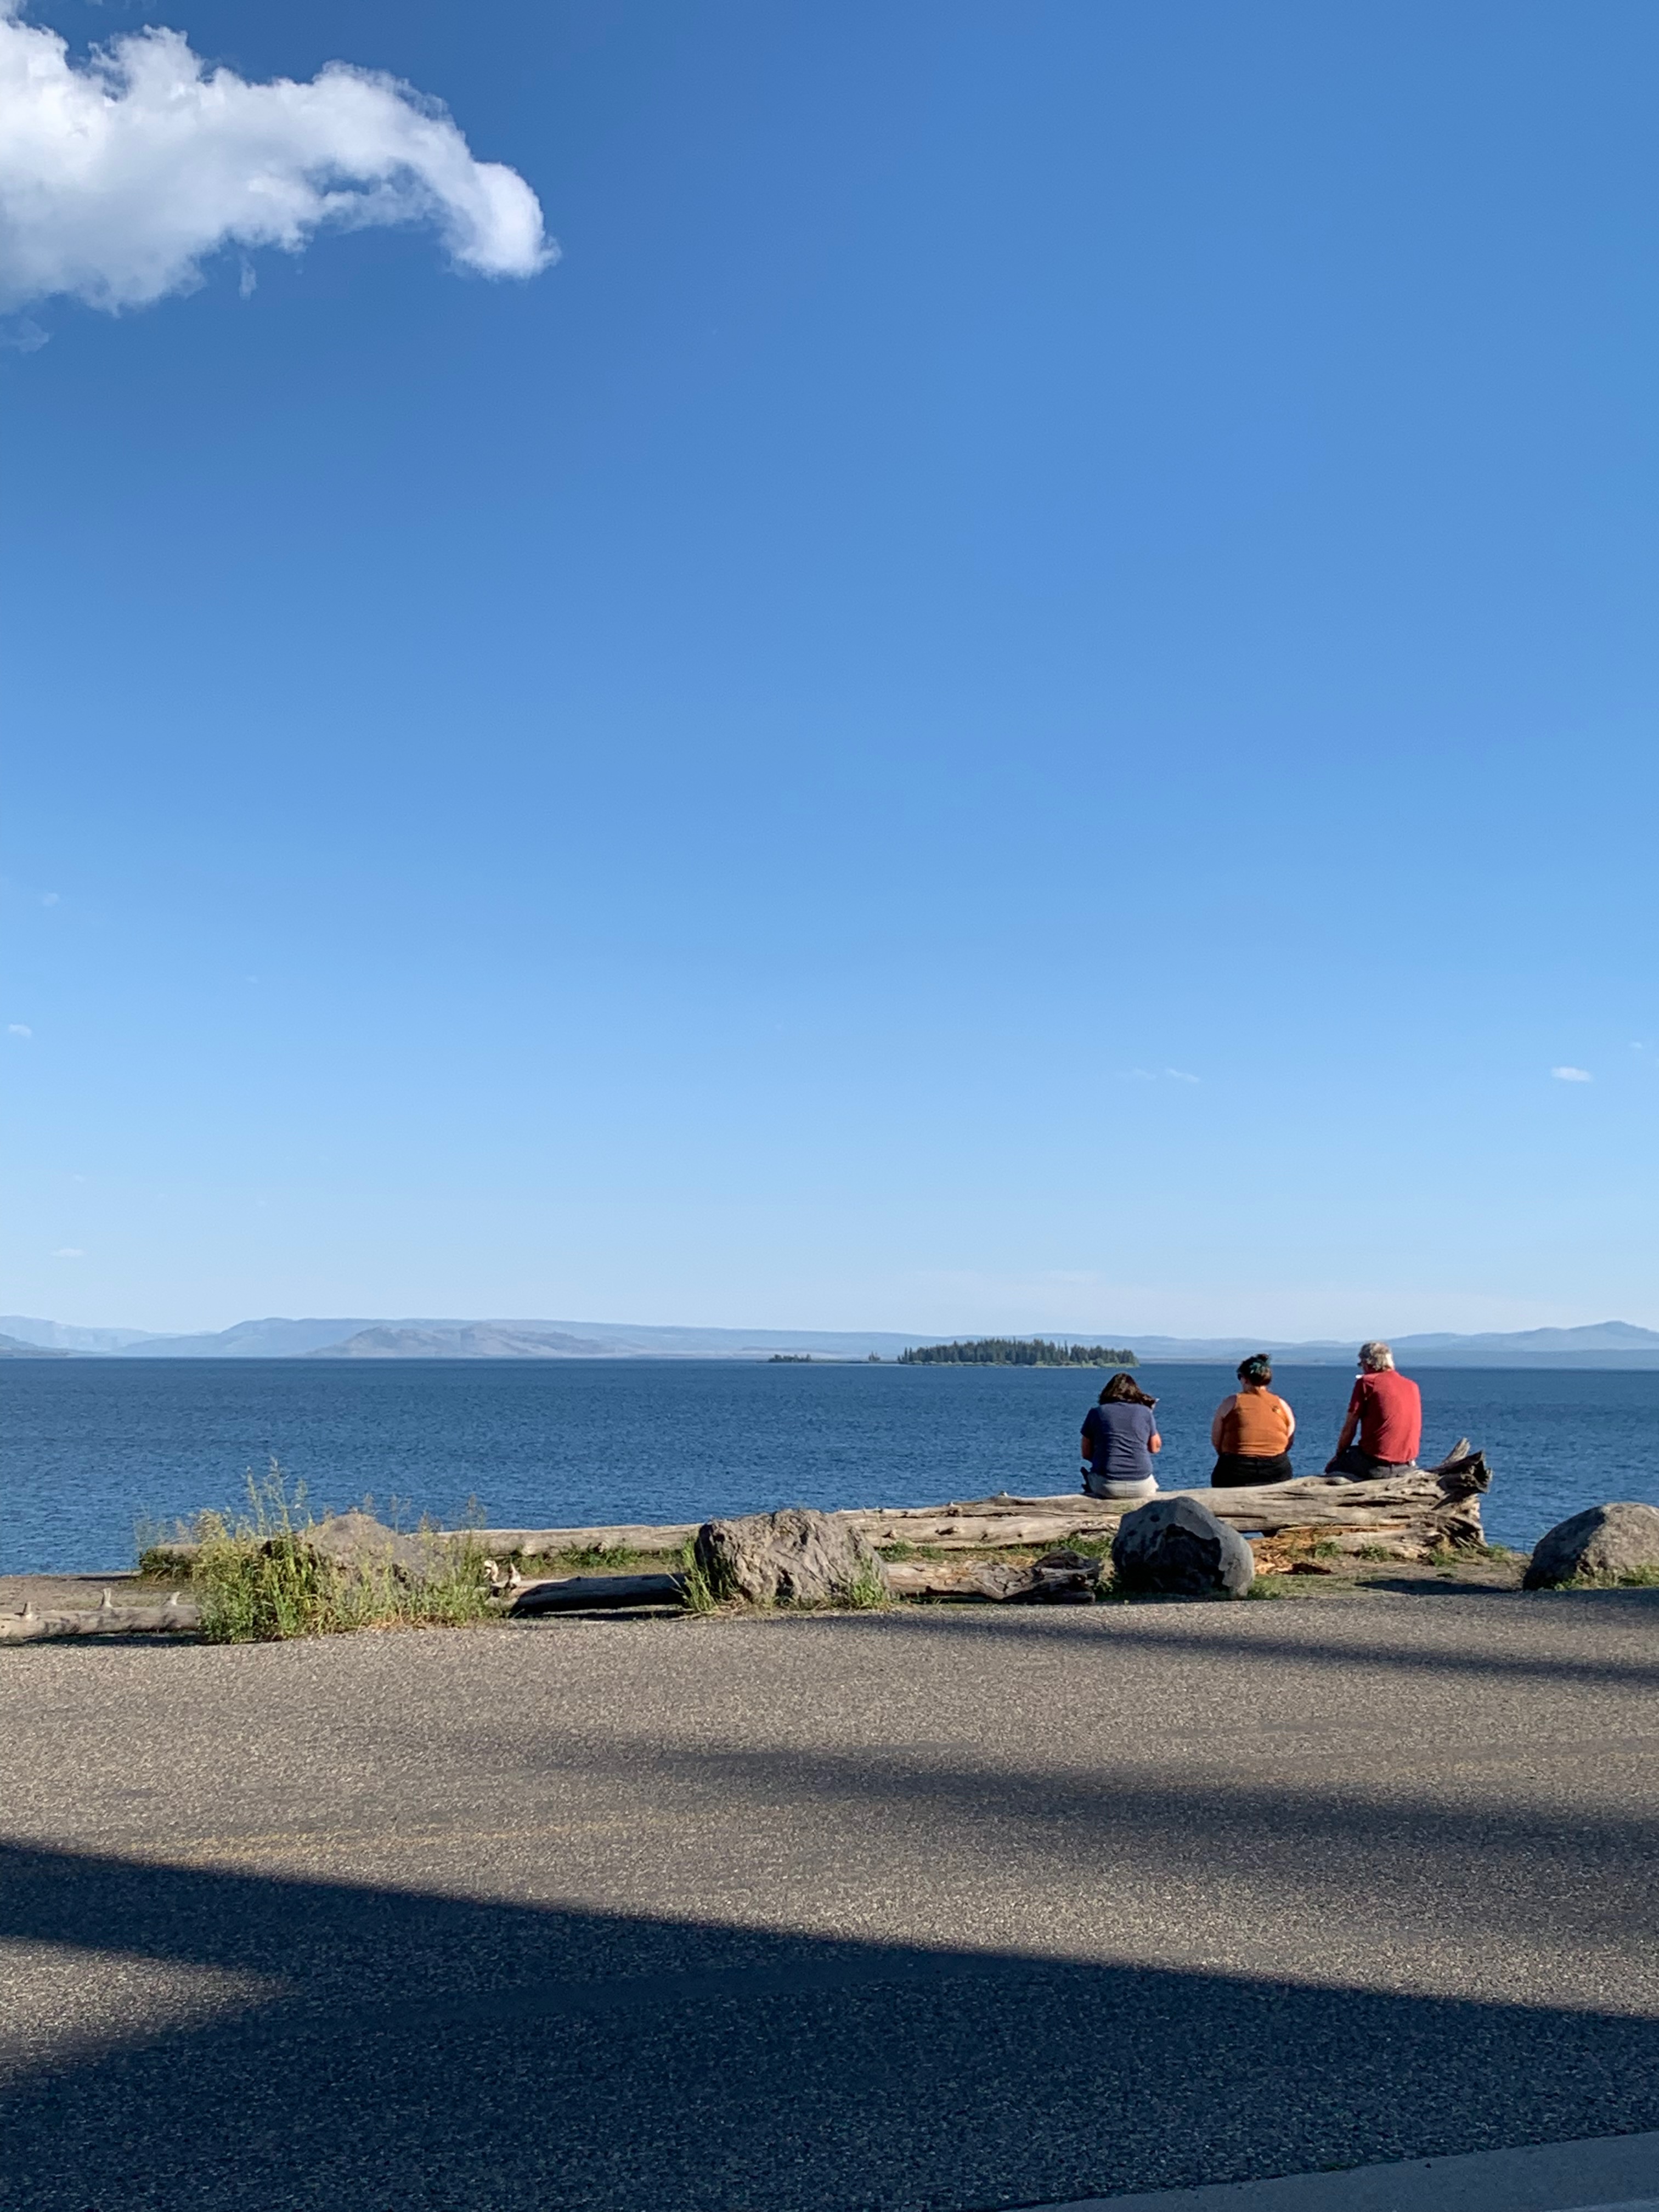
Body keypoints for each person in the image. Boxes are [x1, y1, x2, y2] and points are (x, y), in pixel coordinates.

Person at [1325, 1340, 1421, 1476]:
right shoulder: (1412, 1386)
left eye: (1361, 1364)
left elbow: (1350, 1428)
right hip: (1407, 1465)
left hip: (1377, 1465)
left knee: (1334, 1469)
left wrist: (1339, 1455)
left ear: (1367, 1363)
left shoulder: (1367, 1383)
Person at [1208, 1354, 1295, 1487]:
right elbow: (1288, 1440)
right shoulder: (1282, 1405)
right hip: (1276, 1469)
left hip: (1236, 1468)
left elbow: (1216, 1440)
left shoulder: (1231, 1402)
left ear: (1245, 1379)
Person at [1080, 1372, 1161, 1500]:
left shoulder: (1097, 1413)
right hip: (1142, 1485)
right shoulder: (1145, 1412)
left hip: (1107, 1485)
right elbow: (1155, 1448)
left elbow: (1086, 1453)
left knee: (1092, 1477)